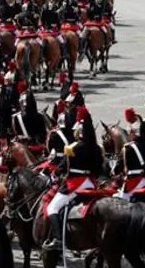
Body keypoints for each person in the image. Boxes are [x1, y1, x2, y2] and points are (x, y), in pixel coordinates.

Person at [43, 105, 103, 251]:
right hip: (90, 182)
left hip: (75, 184)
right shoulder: (96, 147)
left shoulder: (73, 148)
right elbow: (99, 169)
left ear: (79, 130)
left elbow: (63, 167)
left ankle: (58, 240)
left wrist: (55, 174)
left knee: (52, 207)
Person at [118, 108, 145, 200]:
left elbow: (119, 168)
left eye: (129, 133)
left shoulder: (127, 148)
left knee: (121, 199)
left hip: (132, 182)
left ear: (133, 133)